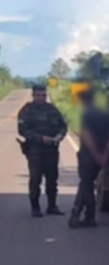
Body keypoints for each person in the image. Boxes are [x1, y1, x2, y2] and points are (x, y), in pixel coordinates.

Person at [17, 84, 68, 217]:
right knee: (35, 179)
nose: (41, 98)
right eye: (38, 95)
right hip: (35, 150)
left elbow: (63, 126)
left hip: (51, 150)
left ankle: (52, 206)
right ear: (33, 95)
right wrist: (40, 138)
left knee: (52, 179)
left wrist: (59, 136)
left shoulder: (52, 109)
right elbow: (22, 130)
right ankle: (35, 207)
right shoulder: (27, 110)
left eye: (43, 95)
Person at [68, 88, 109, 229]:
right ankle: (87, 216)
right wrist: (105, 154)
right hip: (102, 154)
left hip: (88, 155)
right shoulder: (105, 114)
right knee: (88, 183)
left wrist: (96, 154)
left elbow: (86, 136)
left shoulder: (86, 114)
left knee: (86, 183)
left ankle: (80, 212)